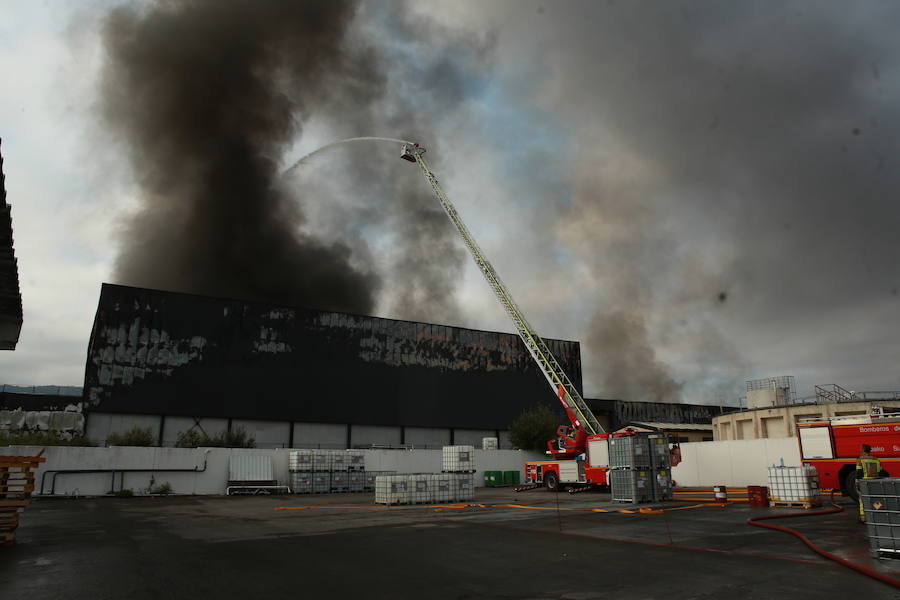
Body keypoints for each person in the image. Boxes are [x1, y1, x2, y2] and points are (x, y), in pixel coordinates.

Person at [856, 444, 885, 523]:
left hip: (864, 483)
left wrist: (857, 482)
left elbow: (859, 473)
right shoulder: (876, 459)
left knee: (863, 500)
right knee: (876, 499)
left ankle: (863, 518)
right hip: (875, 482)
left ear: (863, 450)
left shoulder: (860, 459)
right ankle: (878, 515)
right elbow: (882, 472)